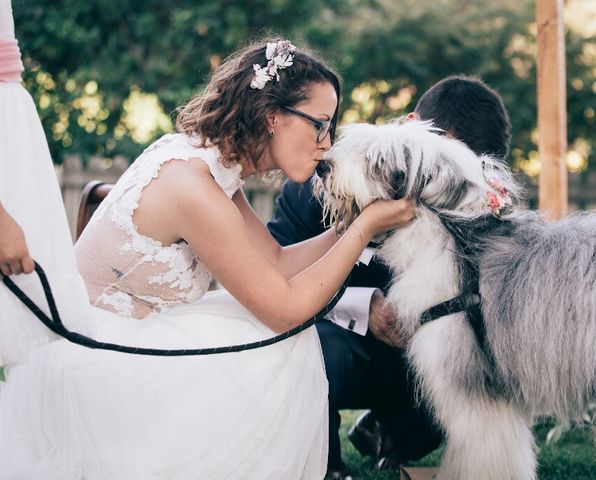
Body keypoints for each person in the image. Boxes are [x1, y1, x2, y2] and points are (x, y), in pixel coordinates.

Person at [0, 4, 416, 477]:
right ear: (273, 116)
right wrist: (363, 229)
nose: (327, 141)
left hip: (132, 340)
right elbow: (282, 305)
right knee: (280, 344)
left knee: (281, 342)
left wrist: (351, 225)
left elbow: (277, 263)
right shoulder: (191, 182)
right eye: (321, 123)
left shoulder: (215, 167)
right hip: (97, 365)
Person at [268, 74, 511, 479]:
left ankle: (386, 433)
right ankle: (324, 463)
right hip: (343, 347)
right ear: (413, 125)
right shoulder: (320, 183)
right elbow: (274, 283)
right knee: (314, 350)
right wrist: (366, 309)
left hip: (427, 358)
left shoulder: (478, 201)